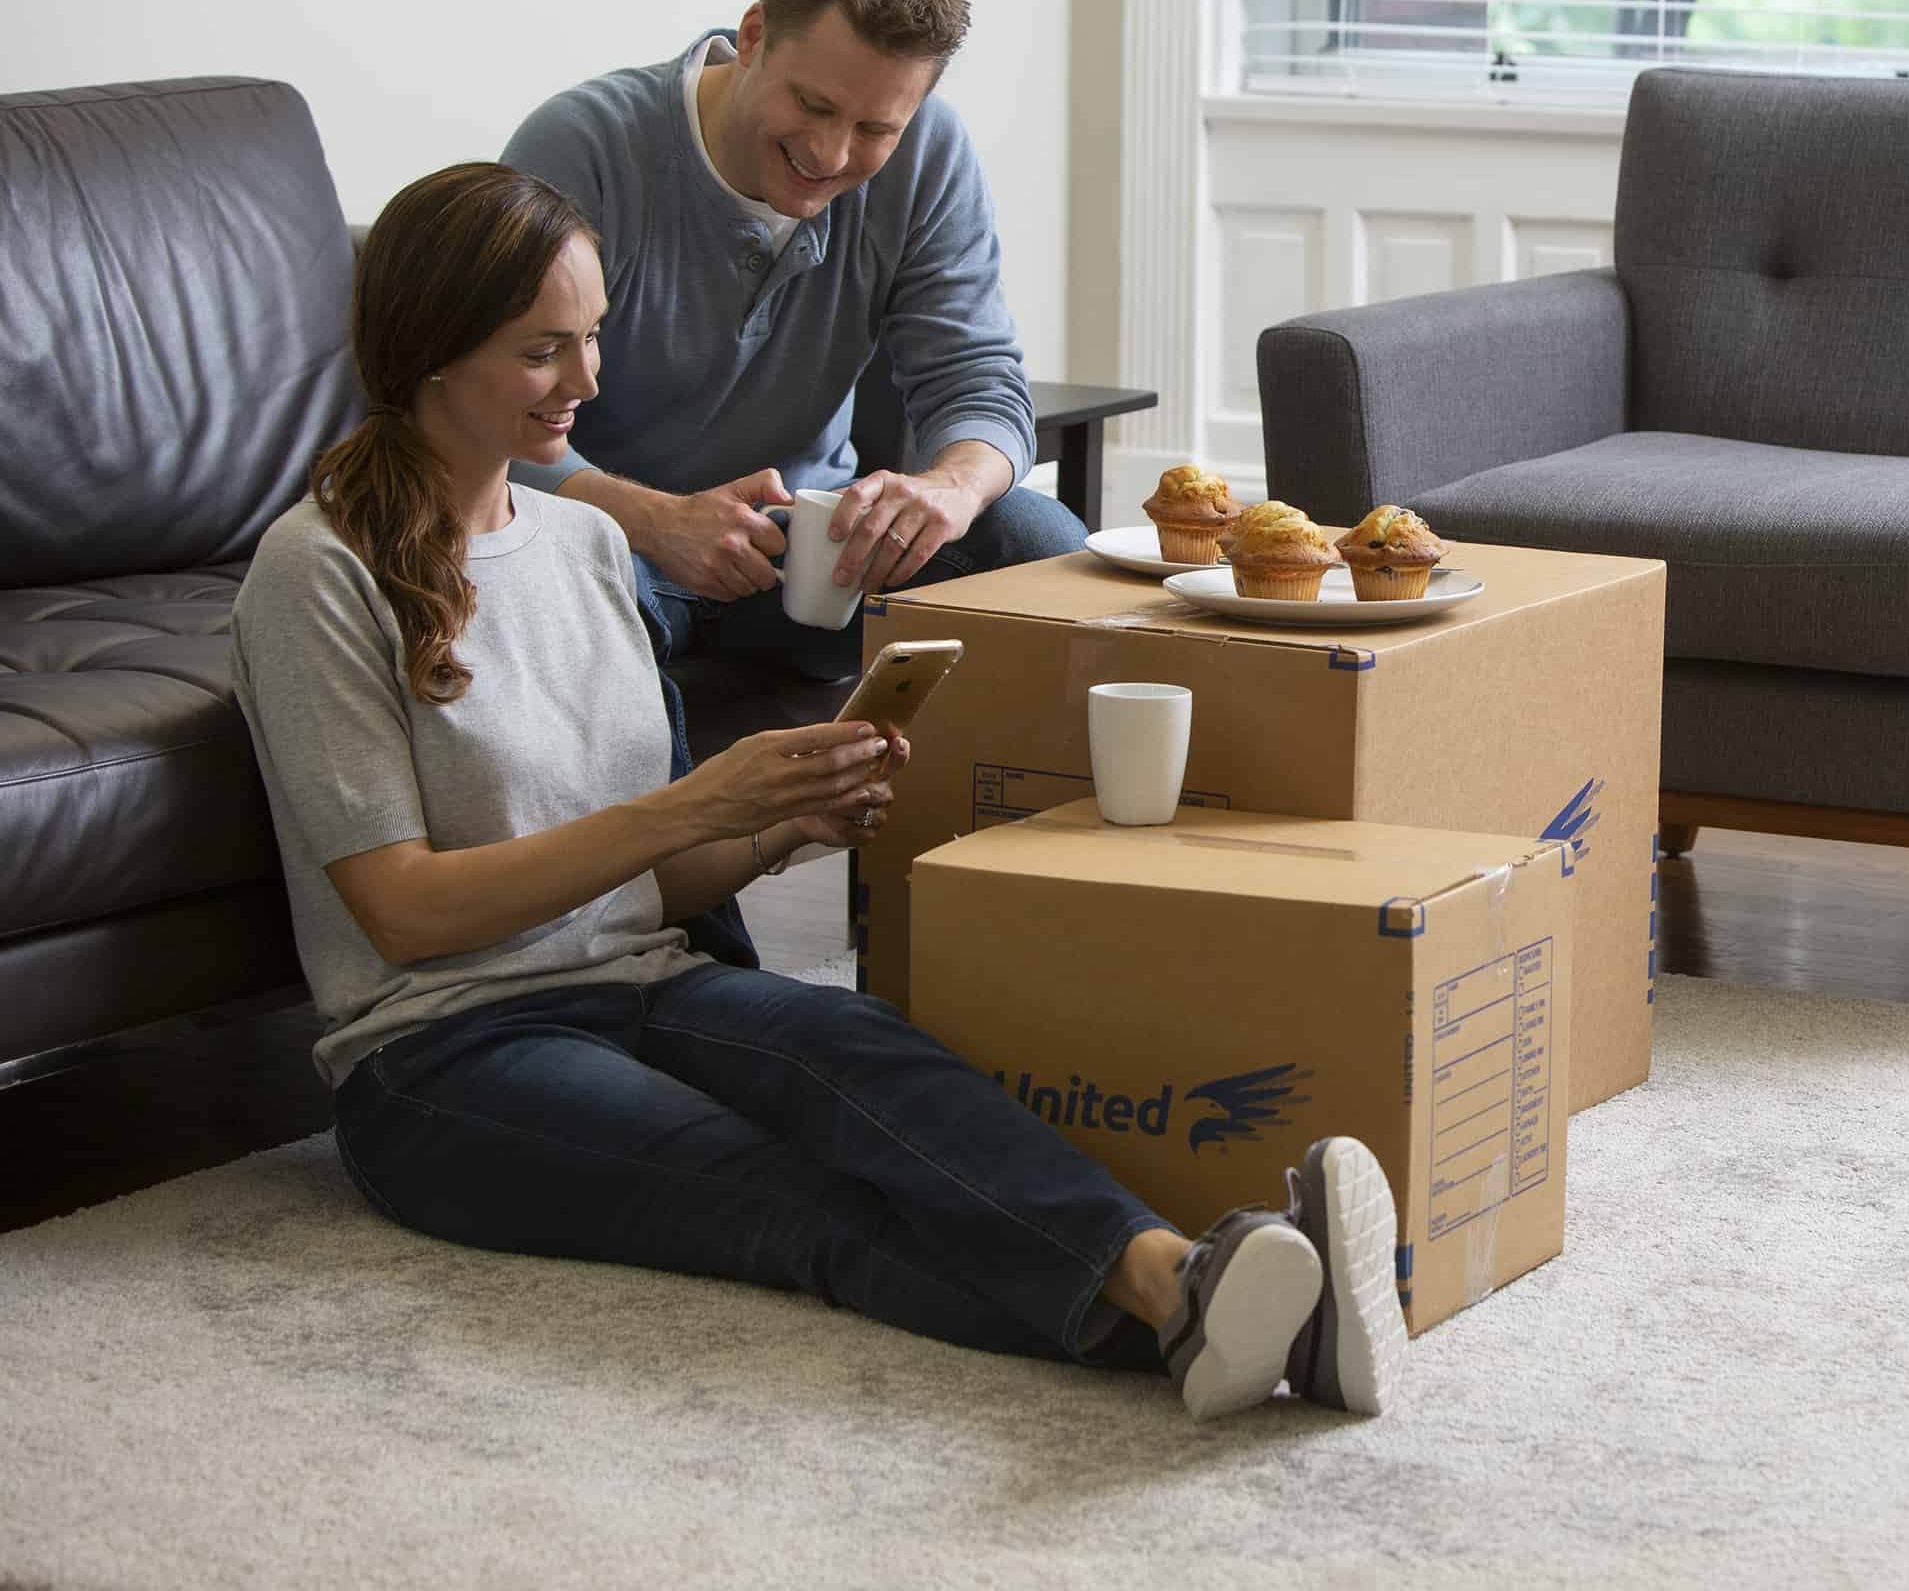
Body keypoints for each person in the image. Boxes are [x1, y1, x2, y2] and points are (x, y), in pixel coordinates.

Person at [228, 162, 1404, 1421]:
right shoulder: (315, 574)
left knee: (871, 1058)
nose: (589, 383)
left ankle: (1180, 1278)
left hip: (640, 980)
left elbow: (643, 886)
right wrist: (693, 804)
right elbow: (402, 915)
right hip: (442, 1055)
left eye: (594, 337)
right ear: (428, 355)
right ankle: (1227, 1318)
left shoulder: (581, 544)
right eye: (542, 350)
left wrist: (775, 824)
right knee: (777, 1191)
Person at [500, 0, 1081, 685]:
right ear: (753, 34)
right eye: (812, 105)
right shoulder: (584, 148)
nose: (830, 155)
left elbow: (976, 378)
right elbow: (489, 410)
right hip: (616, 543)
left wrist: (950, 487)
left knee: (1037, 539)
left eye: (876, 127)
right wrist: (658, 521)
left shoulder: (931, 154)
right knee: (579, 596)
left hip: (818, 558)